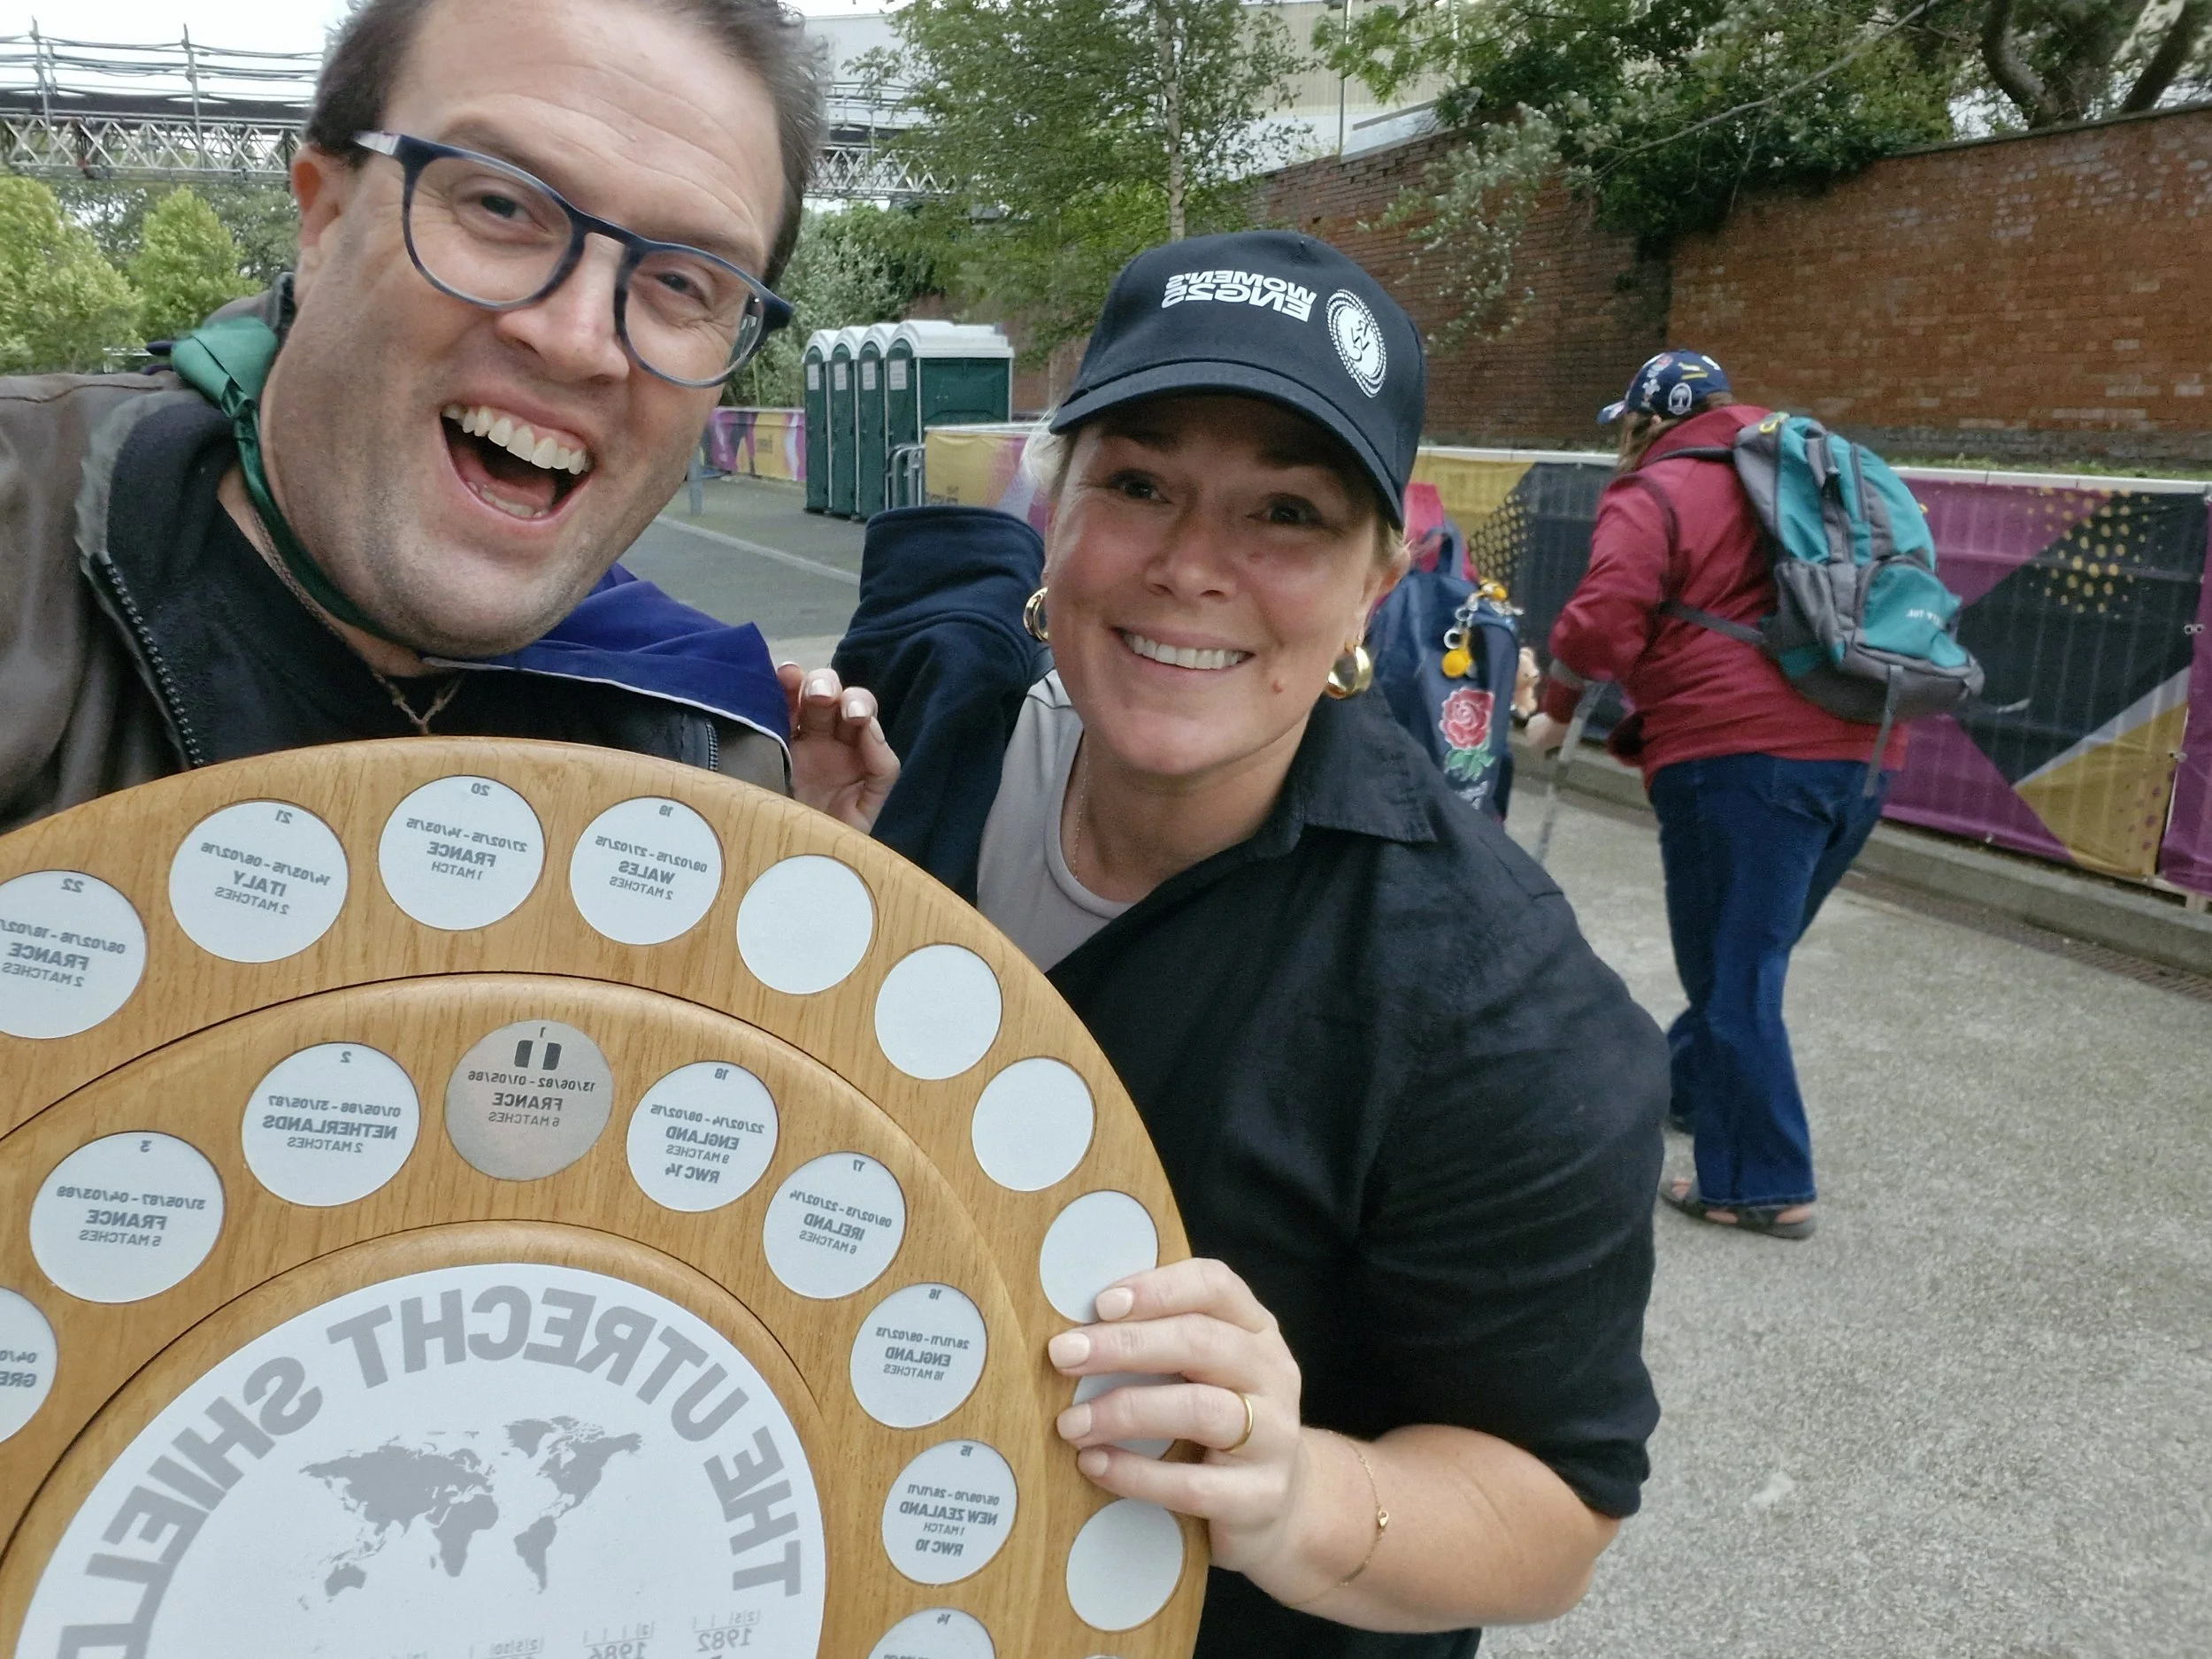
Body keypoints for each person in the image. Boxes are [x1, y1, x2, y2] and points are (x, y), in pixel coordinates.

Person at [827, 232, 1668, 1657]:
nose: (1191, 567)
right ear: (1057, 506)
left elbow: (1552, 1507)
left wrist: (1301, 1495)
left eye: (1286, 512)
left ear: (1379, 577)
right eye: (1141, 485)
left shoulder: (1490, 998)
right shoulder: (949, 754)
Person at [0, 0, 895, 834]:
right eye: (500, 205)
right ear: (325, 217)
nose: (580, 340)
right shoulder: (19, 550)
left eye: (681, 282)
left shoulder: (710, 757)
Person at [1525, 350, 1906, 1240]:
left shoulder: (1658, 487)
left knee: (1735, 972)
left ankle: (1763, 1184)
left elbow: (1605, 613)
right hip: (1869, 746)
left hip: (1737, 756)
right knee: (1751, 953)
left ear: (1645, 421)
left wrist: (1555, 708)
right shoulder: (1816, 471)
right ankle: (1688, 1089)